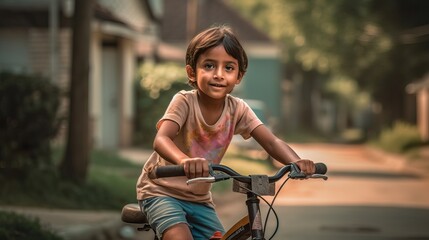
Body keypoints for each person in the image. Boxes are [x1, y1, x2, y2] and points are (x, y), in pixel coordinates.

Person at [136, 25, 316, 240]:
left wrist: (296, 162)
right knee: (179, 236)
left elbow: (271, 142)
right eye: (209, 65)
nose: (219, 75)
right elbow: (161, 139)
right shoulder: (184, 101)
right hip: (161, 192)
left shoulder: (238, 109)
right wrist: (185, 161)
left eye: (228, 68)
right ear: (192, 72)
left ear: (239, 76)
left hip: (199, 199)